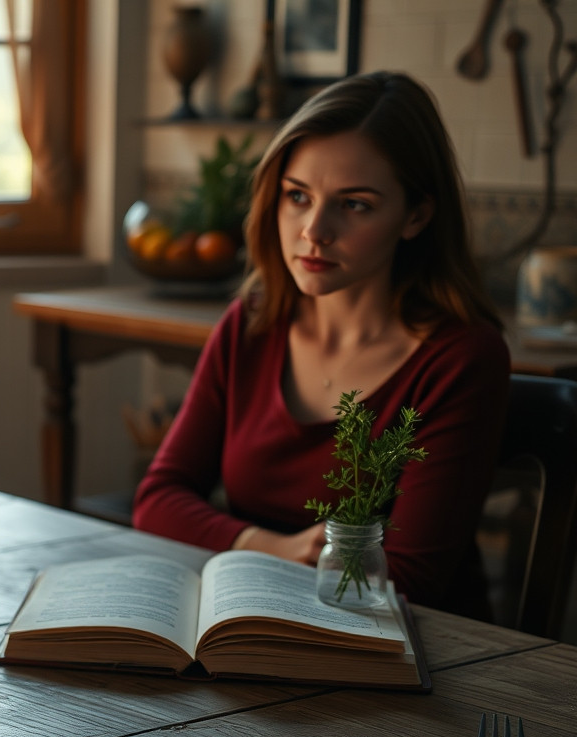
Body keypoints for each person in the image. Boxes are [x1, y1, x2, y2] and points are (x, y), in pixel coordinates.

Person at [132, 71, 509, 619]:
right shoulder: (252, 324)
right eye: (297, 196)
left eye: (354, 204)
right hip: (256, 623)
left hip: (416, 653)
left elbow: (413, 579)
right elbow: (159, 499)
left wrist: (246, 552)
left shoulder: (460, 358)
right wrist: (273, 548)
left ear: (417, 215)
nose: (314, 230)